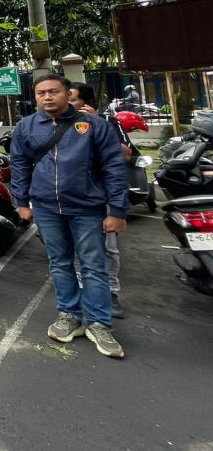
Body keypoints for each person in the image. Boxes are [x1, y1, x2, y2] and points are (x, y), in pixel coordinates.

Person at [10, 74, 129, 359]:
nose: (47, 97)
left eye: (53, 92)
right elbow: (19, 164)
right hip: (46, 208)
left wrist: (118, 210)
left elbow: (114, 168)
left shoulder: (94, 126)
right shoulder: (27, 127)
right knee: (60, 263)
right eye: (41, 93)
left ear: (67, 94)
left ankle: (99, 323)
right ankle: (69, 315)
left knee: (93, 265)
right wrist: (22, 201)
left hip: (87, 207)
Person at [69, 82, 131, 319]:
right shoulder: (57, 123)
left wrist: (97, 125)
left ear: (85, 103)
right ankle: (82, 289)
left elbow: (125, 155)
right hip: (71, 196)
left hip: (101, 196)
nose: (67, 101)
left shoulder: (107, 123)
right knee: (73, 248)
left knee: (107, 248)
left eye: (72, 98)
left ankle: (111, 293)